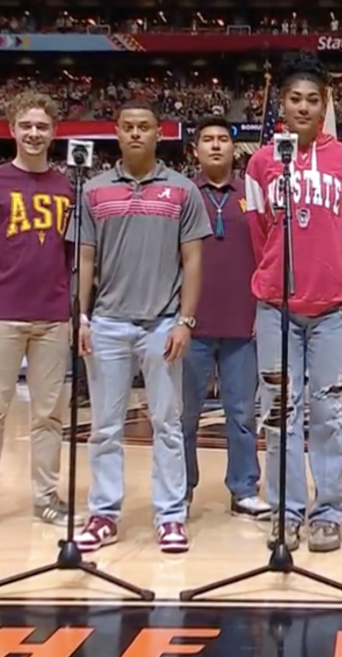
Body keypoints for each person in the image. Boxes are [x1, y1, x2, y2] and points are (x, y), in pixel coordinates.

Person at [71, 99, 212, 554]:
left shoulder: (183, 191)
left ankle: (170, 515)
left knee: (167, 424)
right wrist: (83, 315)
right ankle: (103, 513)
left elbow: (192, 261)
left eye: (145, 127)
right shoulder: (92, 189)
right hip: (108, 323)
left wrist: (185, 321)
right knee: (105, 426)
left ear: (159, 133)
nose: (136, 133)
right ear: (117, 131)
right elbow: (84, 259)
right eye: (128, 126)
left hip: (163, 324)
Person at [245, 52, 342, 553]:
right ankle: (285, 509)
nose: (303, 107)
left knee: (332, 414)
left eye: (313, 100)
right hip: (276, 308)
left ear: (325, 105)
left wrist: (328, 272)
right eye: (295, 98)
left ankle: (330, 510)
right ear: (283, 104)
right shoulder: (262, 161)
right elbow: (259, 234)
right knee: (279, 412)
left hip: (334, 309)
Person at [0, 90, 73, 535]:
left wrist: (76, 310)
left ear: (54, 132)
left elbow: (75, 255)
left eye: (42, 126)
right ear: (12, 130)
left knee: (48, 415)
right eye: (27, 126)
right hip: (1, 313)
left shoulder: (66, 185)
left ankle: (46, 497)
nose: (35, 133)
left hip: (54, 316)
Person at [180, 116, 270, 519]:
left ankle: (244, 488)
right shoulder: (182, 194)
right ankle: (179, 489)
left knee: (242, 413)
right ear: (194, 150)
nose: (215, 146)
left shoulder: (251, 195)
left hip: (242, 324)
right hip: (190, 325)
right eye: (207, 140)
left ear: (236, 150)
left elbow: (269, 253)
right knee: (184, 415)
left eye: (223, 140)